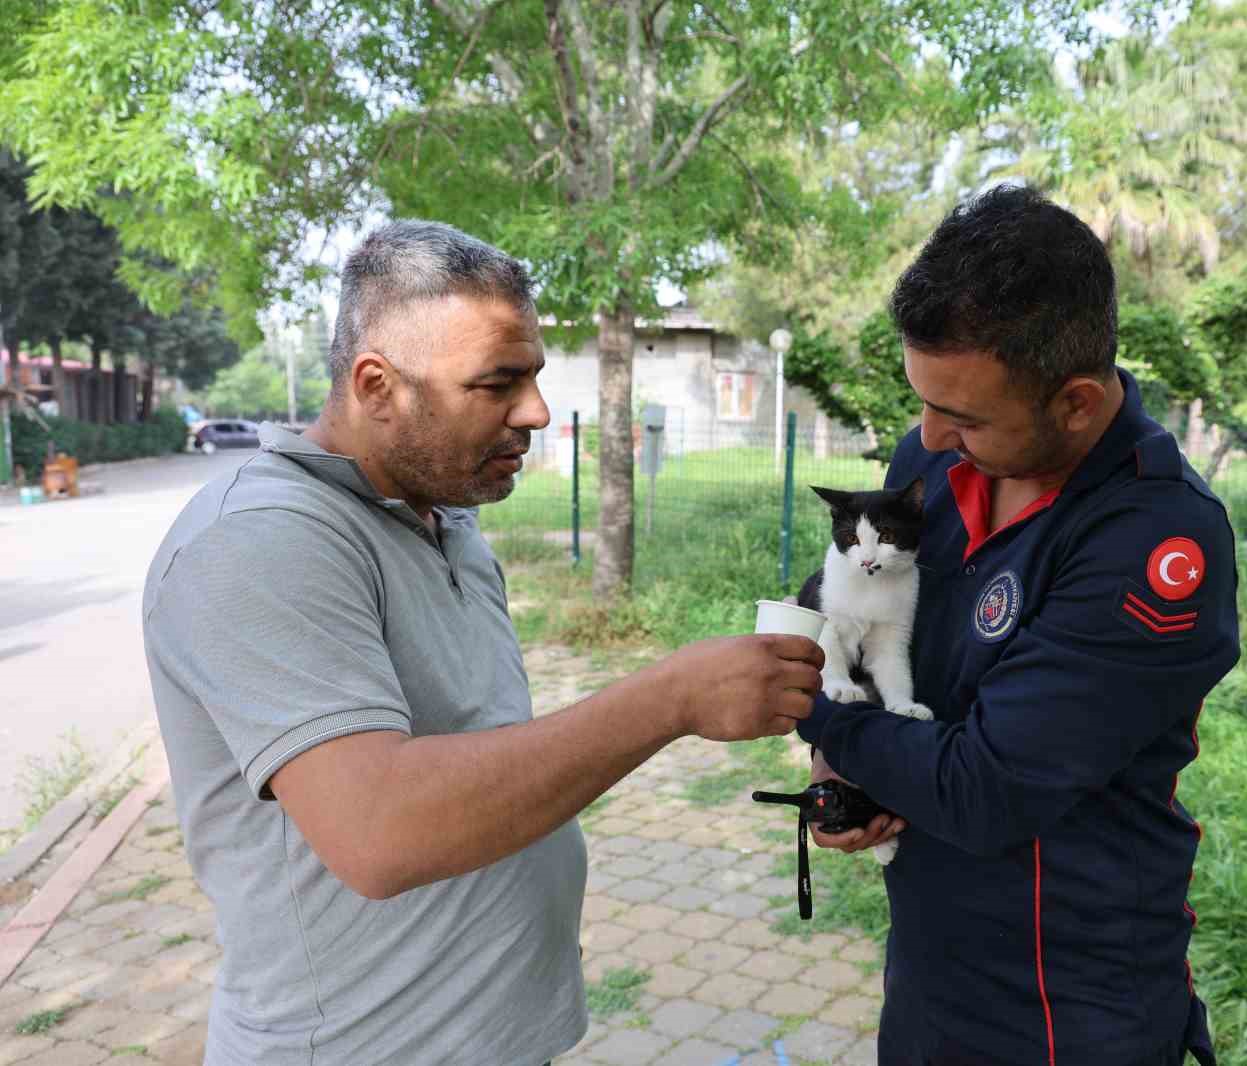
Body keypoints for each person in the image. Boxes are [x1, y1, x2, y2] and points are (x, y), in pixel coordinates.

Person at [141, 220, 823, 1065]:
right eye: (498, 383)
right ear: (377, 385)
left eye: (532, 375)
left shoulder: (443, 514)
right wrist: (669, 698)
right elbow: (380, 829)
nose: (535, 411)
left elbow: (477, 751)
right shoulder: (259, 542)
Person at [798, 185, 1241, 1066]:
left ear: (1076, 403)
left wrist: (814, 709)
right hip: (928, 968)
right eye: (924, 402)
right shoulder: (935, 456)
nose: (926, 434)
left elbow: (983, 789)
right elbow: (850, 595)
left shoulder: (1157, 541)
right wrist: (843, 762)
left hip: (1067, 1004)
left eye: (961, 417)